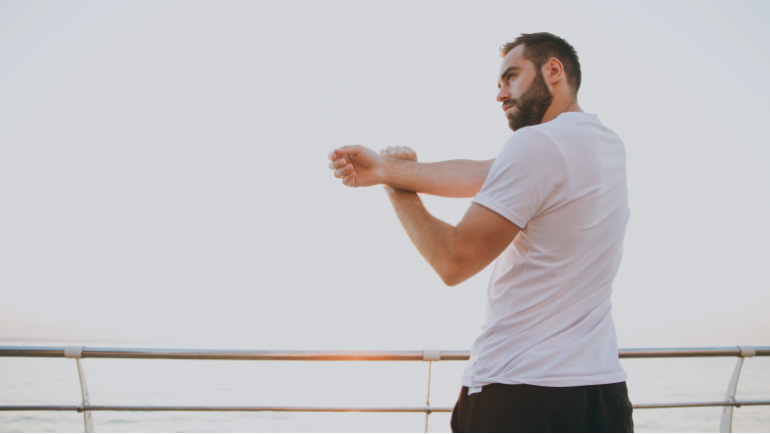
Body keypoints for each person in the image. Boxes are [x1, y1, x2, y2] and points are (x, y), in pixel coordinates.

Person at [327, 32, 634, 433]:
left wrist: (397, 191)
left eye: (511, 77)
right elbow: (483, 173)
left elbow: (453, 261)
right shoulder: (604, 143)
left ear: (553, 70)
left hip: (522, 395)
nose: (501, 94)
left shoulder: (535, 144)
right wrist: (385, 167)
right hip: (601, 395)